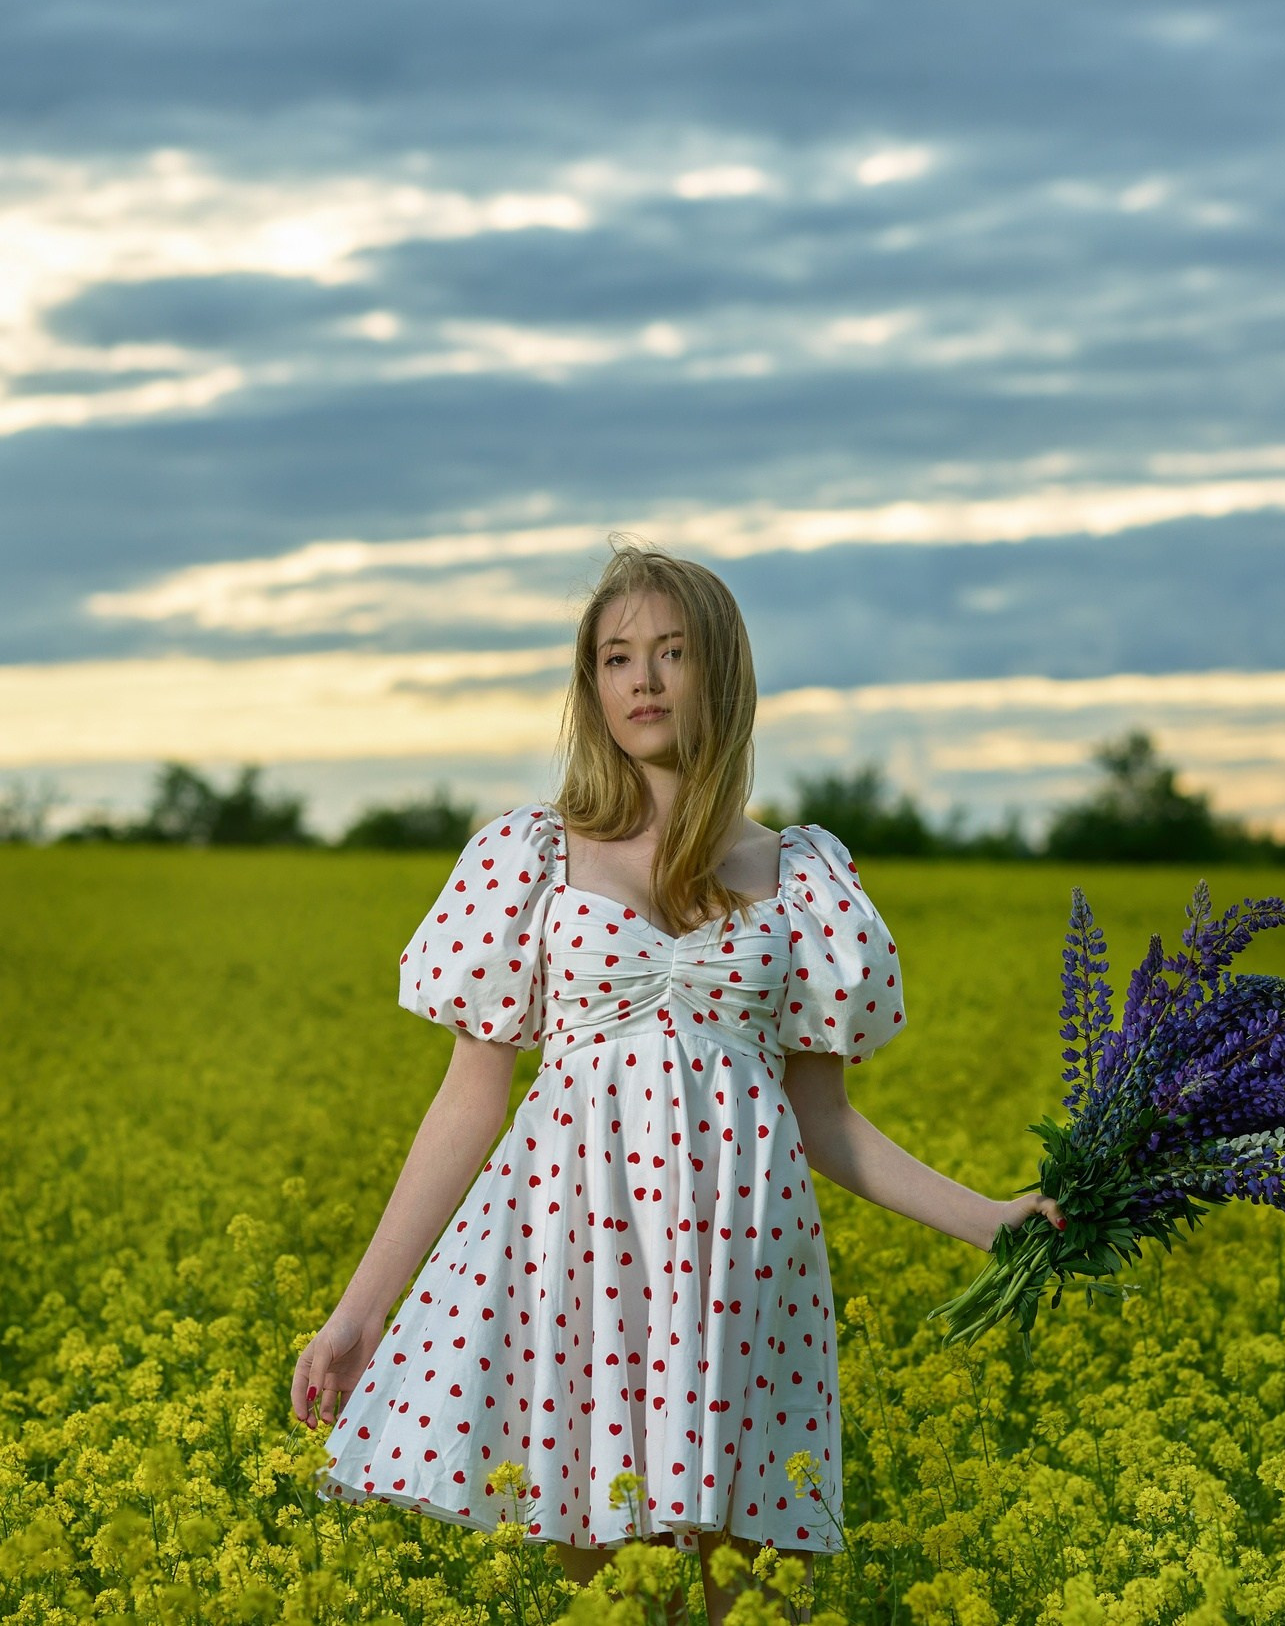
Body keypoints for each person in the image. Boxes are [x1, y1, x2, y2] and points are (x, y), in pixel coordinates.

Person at [290, 541, 1063, 1623]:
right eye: (616, 657)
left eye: (670, 651)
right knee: (621, 1601)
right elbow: (469, 1099)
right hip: (578, 1257)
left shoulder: (802, 876)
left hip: (743, 1262)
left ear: (721, 673)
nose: (642, 679)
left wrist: (988, 1220)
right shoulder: (532, 857)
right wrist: (358, 1312)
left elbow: (824, 1120)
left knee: (759, 1601)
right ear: (592, 685)